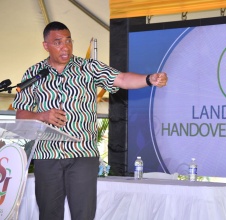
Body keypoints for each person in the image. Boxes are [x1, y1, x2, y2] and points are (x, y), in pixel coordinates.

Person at [12, 21, 168, 220]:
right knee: (49, 214)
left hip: (82, 154)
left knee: (83, 214)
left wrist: (149, 79)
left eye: (68, 40)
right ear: (46, 46)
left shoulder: (88, 68)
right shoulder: (34, 74)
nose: (65, 46)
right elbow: (21, 115)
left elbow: (121, 79)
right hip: (47, 155)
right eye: (58, 42)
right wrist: (42, 116)